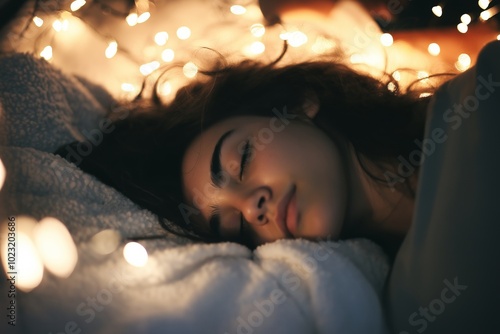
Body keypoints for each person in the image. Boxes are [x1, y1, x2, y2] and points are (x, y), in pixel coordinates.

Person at [56, 51, 434, 260]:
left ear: (299, 104)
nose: (253, 209)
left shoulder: (471, 109)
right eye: (235, 226)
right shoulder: (405, 300)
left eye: (244, 159)